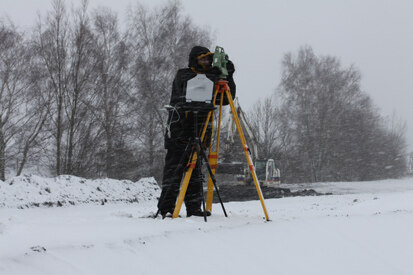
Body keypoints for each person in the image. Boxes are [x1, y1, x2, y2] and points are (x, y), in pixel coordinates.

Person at [157, 46, 236, 218]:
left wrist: (228, 76)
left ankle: (194, 209)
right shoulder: (183, 75)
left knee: (195, 176)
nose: (207, 63)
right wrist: (213, 76)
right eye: (203, 59)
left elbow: (224, 100)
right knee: (174, 174)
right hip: (179, 134)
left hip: (199, 134)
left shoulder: (211, 79)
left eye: (208, 60)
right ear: (194, 60)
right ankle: (166, 209)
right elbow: (193, 88)